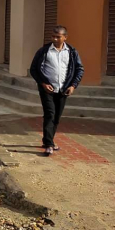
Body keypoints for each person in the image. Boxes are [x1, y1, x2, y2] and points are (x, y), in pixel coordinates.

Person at [29, 25, 84, 156]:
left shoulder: (72, 52)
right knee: (50, 114)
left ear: (65, 37)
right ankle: (49, 144)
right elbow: (33, 69)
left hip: (63, 89)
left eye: (58, 37)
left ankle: (48, 140)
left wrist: (73, 85)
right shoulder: (44, 51)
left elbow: (79, 69)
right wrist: (43, 83)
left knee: (57, 117)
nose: (54, 39)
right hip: (47, 89)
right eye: (53, 36)